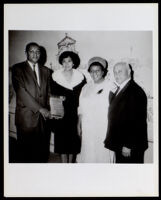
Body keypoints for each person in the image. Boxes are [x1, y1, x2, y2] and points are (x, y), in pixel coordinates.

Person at [12, 42, 52, 163]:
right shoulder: (17, 68)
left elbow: (49, 92)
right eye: (31, 51)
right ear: (26, 53)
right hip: (26, 117)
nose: (35, 54)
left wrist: (54, 107)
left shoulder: (47, 71)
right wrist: (41, 109)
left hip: (43, 119)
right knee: (26, 152)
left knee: (42, 150)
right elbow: (21, 92)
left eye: (38, 51)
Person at [104, 62, 148, 163]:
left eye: (120, 71)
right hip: (120, 143)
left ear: (129, 72)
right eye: (115, 72)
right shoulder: (122, 88)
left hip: (129, 146)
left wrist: (128, 145)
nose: (116, 75)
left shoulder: (135, 91)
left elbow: (137, 121)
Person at [77, 57, 115, 163]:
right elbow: (81, 107)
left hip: (103, 127)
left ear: (103, 71)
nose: (94, 73)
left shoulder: (111, 86)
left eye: (97, 70)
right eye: (92, 71)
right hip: (88, 127)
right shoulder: (85, 87)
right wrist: (79, 123)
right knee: (88, 153)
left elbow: (115, 110)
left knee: (102, 154)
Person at [50, 51, 86, 163]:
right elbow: (50, 94)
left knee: (73, 142)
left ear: (74, 63)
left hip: (74, 113)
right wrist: (58, 97)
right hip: (60, 114)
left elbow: (83, 95)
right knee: (62, 142)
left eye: (69, 61)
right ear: (61, 62)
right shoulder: (55, 76)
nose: (66, 63)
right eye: (64, 61)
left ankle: (70, 164)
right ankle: (64, 165)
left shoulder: (80, 77)